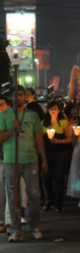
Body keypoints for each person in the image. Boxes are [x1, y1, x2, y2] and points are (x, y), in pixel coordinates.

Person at [0, 85, 47, 242]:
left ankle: (35, 227)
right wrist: (11, 130)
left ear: (25, 97)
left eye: (21, 95)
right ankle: (15, 230)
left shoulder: (32, 115)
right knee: (13, 196)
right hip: (10, 161)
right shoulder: (4, 115)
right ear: (11, 97)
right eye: (16, 95)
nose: (19, 97)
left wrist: (43, 159)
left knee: (34, 194)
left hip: (30, 160)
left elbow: (39, 138)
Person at [42, 100, 71, 213]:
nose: (53, 111)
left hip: (60, 153)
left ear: (59, 110)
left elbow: (69, 138)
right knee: (47, 178)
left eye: (55, 109)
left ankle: (59, 203)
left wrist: (58, 141)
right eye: (50, 109)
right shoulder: (43, 123)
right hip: (47, 153)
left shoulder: (63, 122)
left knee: (59, 177)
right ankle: (49, 201)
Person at [0, 96, 11, 234]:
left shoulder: (12, 121)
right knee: (1, 192)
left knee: (11, 191)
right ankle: (2, 220)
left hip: (10, 159)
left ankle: (10, 221)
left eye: (2, 104)